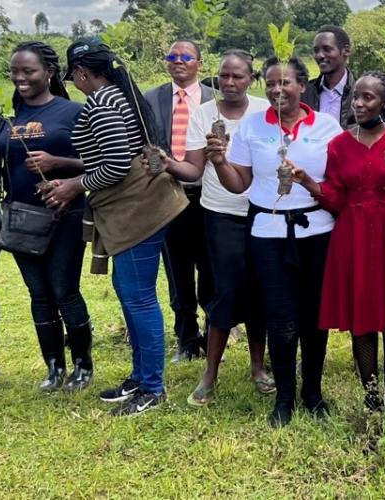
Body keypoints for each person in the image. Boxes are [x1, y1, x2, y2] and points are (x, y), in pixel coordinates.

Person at [47, 39, 188, 416]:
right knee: (129, 291)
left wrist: (75, 184)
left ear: (81, 73)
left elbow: (115, 166)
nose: (74, 83)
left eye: (74, 77)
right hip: (135, 208)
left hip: (135, 211)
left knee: (138, 295)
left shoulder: (105, 104)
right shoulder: (116, 96)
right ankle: (140, 377)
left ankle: (153, 387)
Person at [0, 42, 98, 393]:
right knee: (38, 294)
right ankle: (53, 367)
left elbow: (99, 163)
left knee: (64, 291)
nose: (20, 78)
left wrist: (58, 164)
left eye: (28, 71)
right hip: (21, 219)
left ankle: (82, 365)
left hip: (65, 214)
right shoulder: (2, 118)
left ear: (48, 72)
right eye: (15, 71)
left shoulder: (74, 112)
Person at [208, 55, 342, 427]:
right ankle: (284, 397)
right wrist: (220, 162)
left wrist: (309, 183)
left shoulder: (327, 127)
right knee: (280, 317)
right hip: (267, 231)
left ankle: (312, 393)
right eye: (270, 84)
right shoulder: (254, 126)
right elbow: (241, 183)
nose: (277, 90)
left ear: (302, 85)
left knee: (315, 316)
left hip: (316, 231)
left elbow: (337, 182)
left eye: (285, 83)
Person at [293, 72, 385, 412]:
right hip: (351, 234)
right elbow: (336, 198)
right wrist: (309, 182)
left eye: (369, 98)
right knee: (362, 315)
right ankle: (371, 396)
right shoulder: (338, 144)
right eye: (356, 97)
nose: (360, 103)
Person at [161, 49, 274, 407]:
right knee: (224, 292)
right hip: (221, 214)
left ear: (251, 79)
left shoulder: (263, 113)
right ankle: (210, 373)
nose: (230, 82)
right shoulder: (203, 114)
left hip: (261, 213)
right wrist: (167, 164)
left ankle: (258, 367)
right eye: (224, 76)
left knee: (258, 290)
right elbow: (194, 171)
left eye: (238, 76)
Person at [144, 39, 215, 362]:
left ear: (199, 63)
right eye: (172, 56)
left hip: (210, 197)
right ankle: (186, 339)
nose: (178, 61)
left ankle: (215, 338)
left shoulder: (215, 99)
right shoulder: (152, 99)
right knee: (177, 272)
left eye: (186, 56)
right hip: (169, 197)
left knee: (211, 270)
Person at [301, 25, 355, 129]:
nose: (320, 55)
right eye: (316, 51)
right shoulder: (305, 92)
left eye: (327, 49)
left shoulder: (361, 93)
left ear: (346, 51)